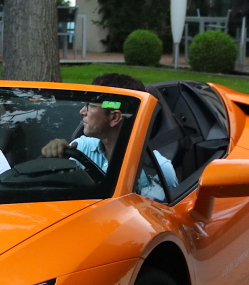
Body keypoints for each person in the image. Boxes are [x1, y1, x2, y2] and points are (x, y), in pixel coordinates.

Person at [41, 73, 178, 199]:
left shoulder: (160, 171)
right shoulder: (81, 147)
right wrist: (56, 159)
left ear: (114, 117)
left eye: (91, 106)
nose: (82, 111)